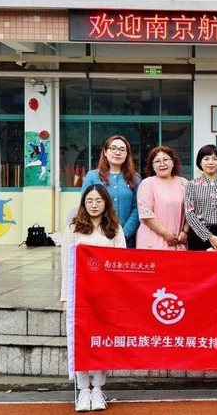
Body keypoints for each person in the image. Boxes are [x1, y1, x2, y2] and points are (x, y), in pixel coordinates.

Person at [60, 184, 126, 412]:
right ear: (83, 204)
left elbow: (122, 264)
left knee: (102, 341)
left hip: (106, 297)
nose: (94, 205)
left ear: (106, 203)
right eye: (89, 201)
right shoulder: (73, 229)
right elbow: (66, 266)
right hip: (80, 296)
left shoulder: (115, 229)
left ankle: (97, 389)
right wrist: (65, 298)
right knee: (82, 342)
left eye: (98, 200)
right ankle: (83, 390)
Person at [82, 135, 141, 248]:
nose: (117, 153)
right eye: (113, 148)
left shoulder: (135, 178)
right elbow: (86, 205)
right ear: (105, 152)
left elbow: (138, 209)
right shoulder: (92, 176)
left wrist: (124, 234)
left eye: (122, 149)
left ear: (127, 154)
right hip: (98, 240)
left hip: (127, 240)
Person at [186, 144, 217, 251]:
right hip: (198, 235)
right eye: (206, 159)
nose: (211, 162)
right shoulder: (192, 185)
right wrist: (209, 237)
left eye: (215, 159)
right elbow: (189, 213)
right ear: (200, 162)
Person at [136, 146, 188, 250]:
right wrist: (165, 233)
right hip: (152, 240)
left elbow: (191, 211)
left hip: (178, 240)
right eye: (157, 161)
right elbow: (146, 214)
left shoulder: (184, 183)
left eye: (165, 159)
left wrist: (185, 231)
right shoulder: (147, 184)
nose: (162, 164)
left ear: (173, 162)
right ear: (152, 166)